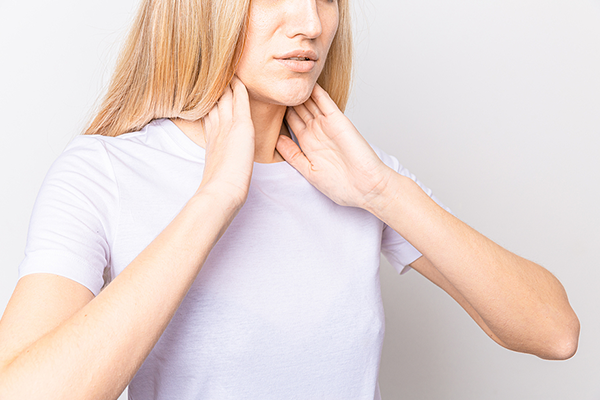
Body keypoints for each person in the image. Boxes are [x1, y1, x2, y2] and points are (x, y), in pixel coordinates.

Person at [0, 0, 580, 399]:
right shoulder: (106, 172)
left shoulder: (352, 172)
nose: (309, 23)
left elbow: (554, 333)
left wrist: (383, 192)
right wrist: (217, 197)